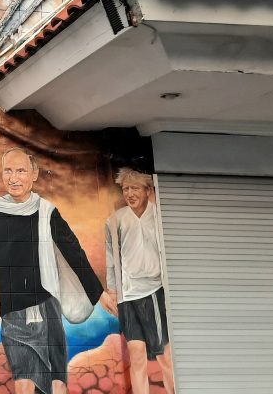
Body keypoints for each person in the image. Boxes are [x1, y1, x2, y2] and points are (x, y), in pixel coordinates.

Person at [0, 149, 105, 394]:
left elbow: (73, 250)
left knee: (56, 384)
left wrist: (98, 293)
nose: (13, 178)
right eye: (8, 171)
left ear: (34, 174)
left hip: (47, 308)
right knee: (24, 383)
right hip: (13, 313)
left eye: (21, 171)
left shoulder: (46, 211)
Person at [100, 168, 175, 394]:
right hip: (127, 297)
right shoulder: (115, 220)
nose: (130, 193)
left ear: (147, 190)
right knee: (137, 356)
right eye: (126, 189)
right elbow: (111, 259)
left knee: (165, 356)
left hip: (154, 292)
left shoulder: (159, 216)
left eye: (135, 188)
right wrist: (113, 291)